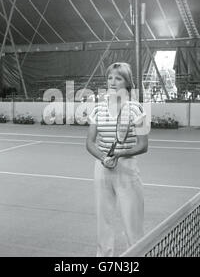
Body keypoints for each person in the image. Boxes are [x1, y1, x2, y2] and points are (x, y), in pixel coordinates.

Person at [86, 62, 148, 257]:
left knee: (133, 223)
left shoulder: (138, 109)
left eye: (118, 78)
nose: (113, 82)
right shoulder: (97, 109)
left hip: (127, 169)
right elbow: (89, 143)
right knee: (103, 222)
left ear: (127, 82)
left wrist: (120, 154)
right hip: (102, 169)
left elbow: (143, 145)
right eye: (110, 78)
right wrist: (104, 158)